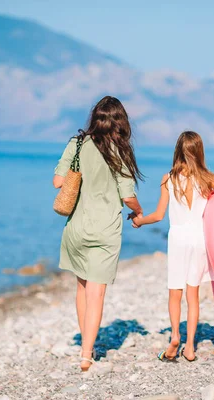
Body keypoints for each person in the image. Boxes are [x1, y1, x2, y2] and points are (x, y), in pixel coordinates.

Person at [130, 131, 214, 362]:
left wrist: (139, 220)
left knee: (175, 293)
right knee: (193, 294)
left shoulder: (168, 179)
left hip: (178, 238)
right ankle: (190, 347)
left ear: (178, 150)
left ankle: (174, 337)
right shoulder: (208, 179)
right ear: (199, 151)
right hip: (200, 239)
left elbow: (159, 215)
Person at [53, 96, 144, 372]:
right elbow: (128, 196)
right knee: (97, 293)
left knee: (82, 287)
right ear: (121, 121)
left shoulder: (77, 144)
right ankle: (86, 354)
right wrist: (139, 213)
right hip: (105, 230)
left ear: (95, 118)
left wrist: (82, 166)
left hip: (77, 227)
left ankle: (85, 347)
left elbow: (58, 182)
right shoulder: (120, 150)